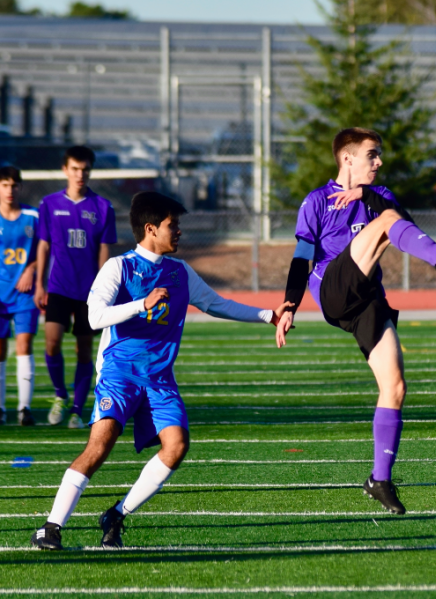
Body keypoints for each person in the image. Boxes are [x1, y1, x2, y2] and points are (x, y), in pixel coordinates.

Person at [30, 192, 293, 550]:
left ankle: (116, 515)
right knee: (100, 446)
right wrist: (141, 304)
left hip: (159, 378)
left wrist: (268, 315)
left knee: (177, 446)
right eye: (174, 225)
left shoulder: (179, 272)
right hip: (119, 374)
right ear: (151, 229)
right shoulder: (120, 267)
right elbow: (94, 317)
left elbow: (216, 303)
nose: (180, 231)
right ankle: (51, 527)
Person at [275, 127, 436, 515]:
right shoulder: (317, 201)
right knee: (386, 221)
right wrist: (289, 305)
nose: (379, 162)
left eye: (380, 154)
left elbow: (402, 224)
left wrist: (366, 195)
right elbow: (302, 257)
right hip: (332, 289)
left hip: (367, 300)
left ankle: (379, 480)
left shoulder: (379, 197)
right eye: (372, 154)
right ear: (347, 159)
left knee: (395, 386)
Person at [35, 146, 117, 429]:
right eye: (74, 169)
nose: (80, 174)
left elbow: (104, 251)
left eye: (85, 169)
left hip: (88, 293)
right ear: (65, 170)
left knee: (84, 351)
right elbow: (43, 246)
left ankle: (77, 410)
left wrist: (103, 290)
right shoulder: (48, 204)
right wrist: (39, 284)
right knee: (52, 342)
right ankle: (60, 395)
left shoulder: (103, 207)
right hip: (57, 287)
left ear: (90, 171)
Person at [0, 166, 38, 426]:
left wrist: (32, 270)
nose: (9, 190)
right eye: (4, 185)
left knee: (24, 346)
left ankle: (24, 408)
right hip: (1, 295)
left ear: (20, 187)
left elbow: (45, 251)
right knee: (0, 350)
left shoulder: (32, 216)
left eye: (14, 185)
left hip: (25, 294)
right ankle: (1, 408)